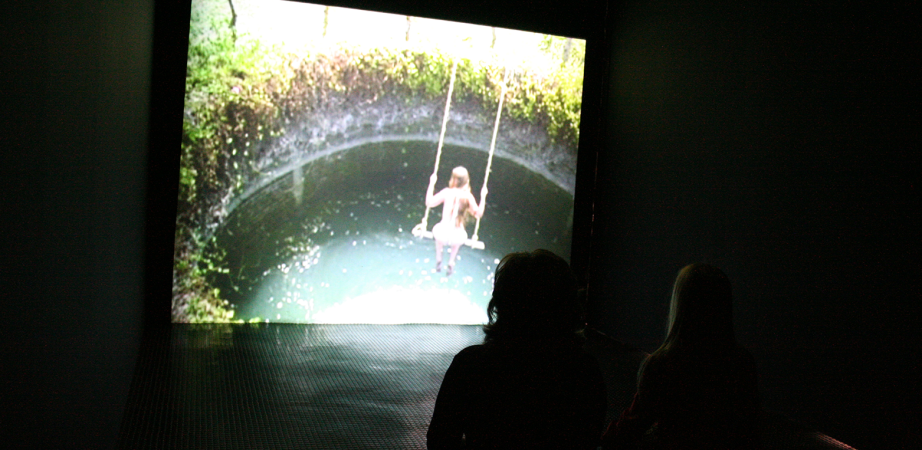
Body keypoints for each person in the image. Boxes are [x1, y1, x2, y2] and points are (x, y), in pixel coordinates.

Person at [427, 250, 607, 449]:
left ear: (501, 303)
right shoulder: (584, 371)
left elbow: (440, 440)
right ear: (568, 306)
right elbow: (586, 440)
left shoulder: (469, 365)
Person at [602, 264, 761, 450]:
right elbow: (748, 430)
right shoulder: (743, 362)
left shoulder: (661, 366)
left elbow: (631, 426)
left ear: (679, 305)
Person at [425, 166, 487, 276]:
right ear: (466, 181)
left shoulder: (447, 192)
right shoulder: (468, 196)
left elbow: (429, 203)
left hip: (442, 234)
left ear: (453, 180)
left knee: (439, 233)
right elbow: (478, 214)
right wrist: (483, 197)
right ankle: (451, 262)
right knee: (458, 235)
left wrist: (431, 183)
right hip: (458, 238)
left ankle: (439, 259)